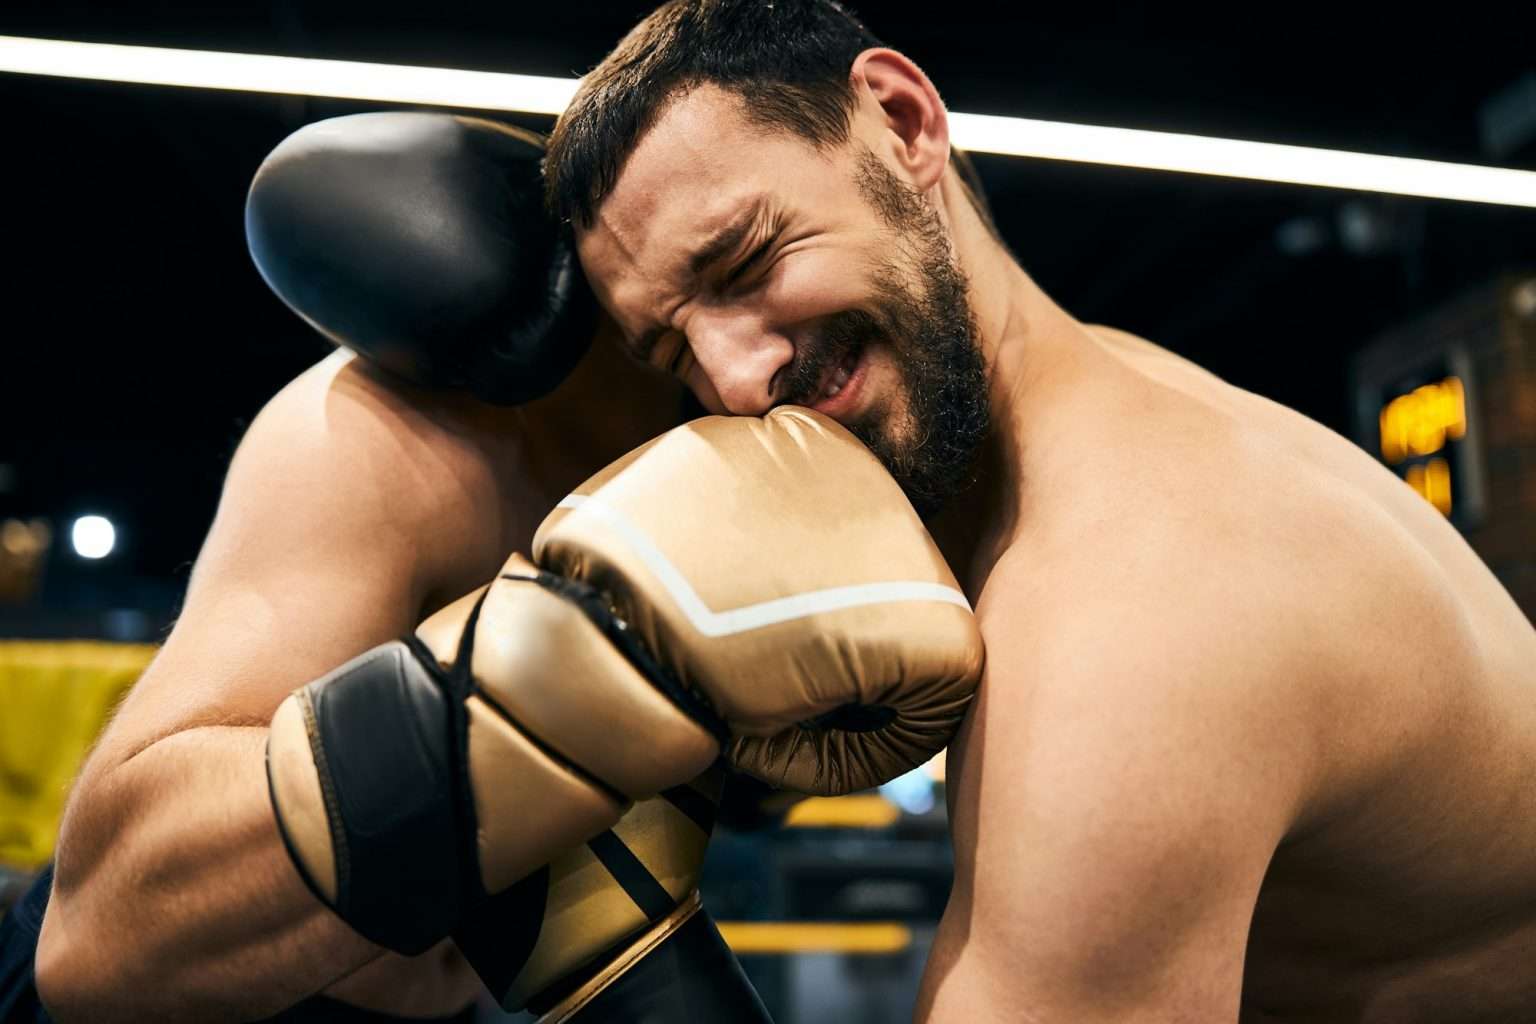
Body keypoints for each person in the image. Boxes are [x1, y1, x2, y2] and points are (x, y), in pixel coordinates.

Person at [544, 1, 1536, 1019]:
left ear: (902, 121)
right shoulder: (1104, 404)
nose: (735, 379)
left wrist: (620, 964)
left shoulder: (1132, 619)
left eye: (748, 260)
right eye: (674, 355)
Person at [12, 112, 983, 1022]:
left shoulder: (858, 463)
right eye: (729, 257)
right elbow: (95, 937)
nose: (741, 362)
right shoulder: (388, 443)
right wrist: (539, 683)